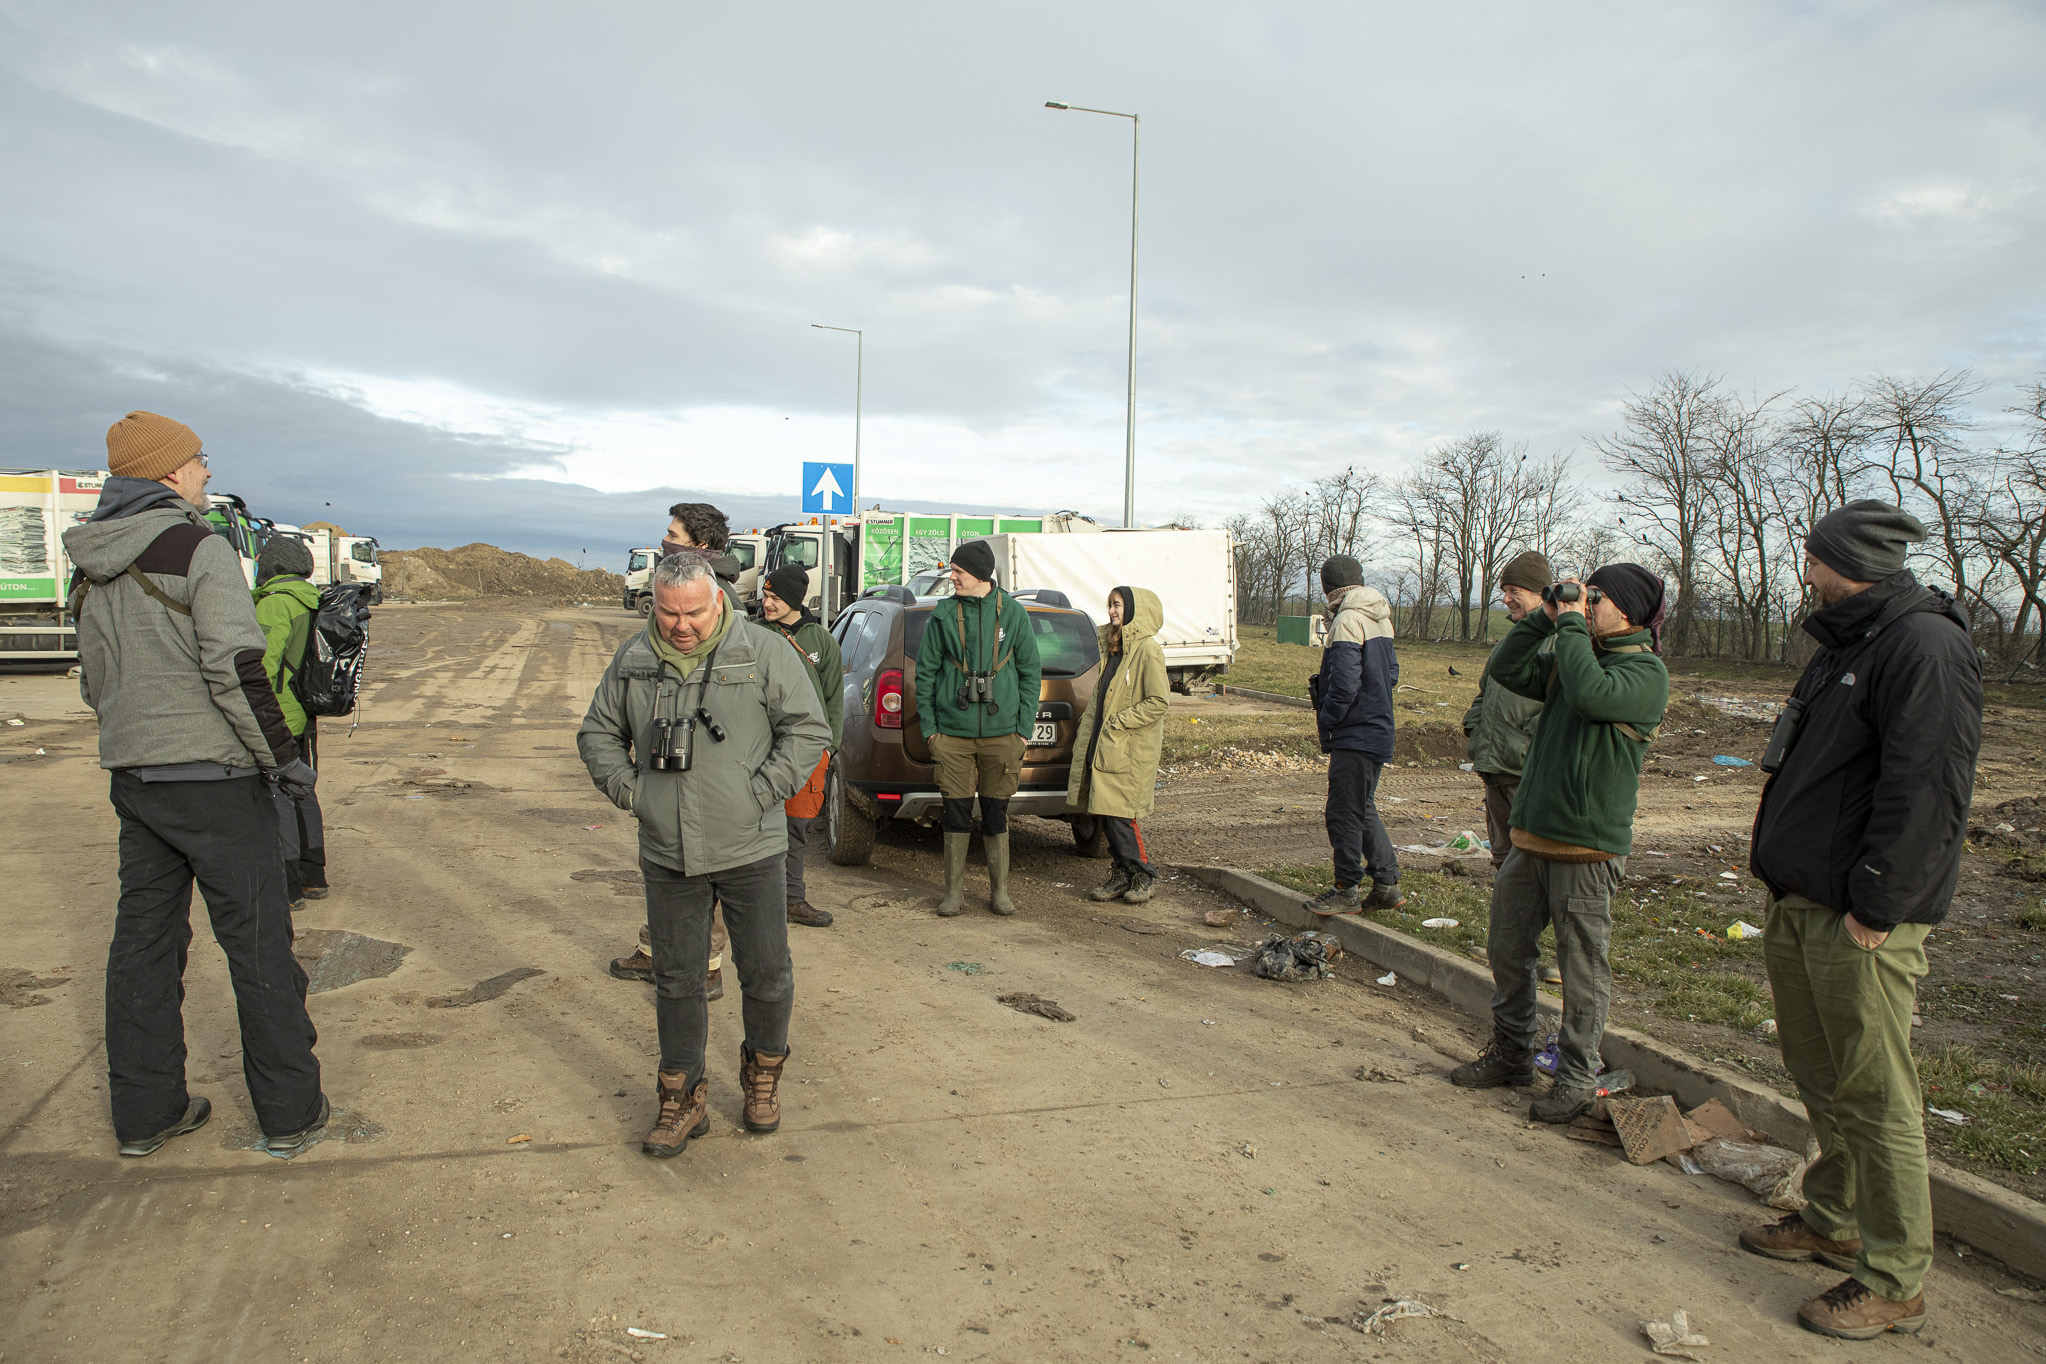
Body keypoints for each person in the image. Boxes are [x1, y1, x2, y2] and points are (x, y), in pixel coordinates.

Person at [1737, 502, 1981, 1341]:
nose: (1803, 570)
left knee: (1876, 1094)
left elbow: (1929, 790)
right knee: (1820, 1074)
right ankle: (1834, 1217)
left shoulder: (1925, 646)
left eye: (1813, 557)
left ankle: (1894, 1276)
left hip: (1860, 918)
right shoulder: (1848, 641)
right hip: (1801, 900)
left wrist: (1878, 907)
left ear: (1850, 561)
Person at [63, 411, 327, 1160]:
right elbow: (237, 668)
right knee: (258, 947)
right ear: (169, 473)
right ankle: (290, 1112)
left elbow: (93, 684)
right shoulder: (198, 547)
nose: (207, 471)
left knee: (143, 946)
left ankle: (146, 1114)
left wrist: (138, 734)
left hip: (137, 780)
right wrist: (284, 761)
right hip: (217, 782)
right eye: (199, 460)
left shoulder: (91, 560)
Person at [577, 553, 830, 1157]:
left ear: (718, 600)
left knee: (767, 972)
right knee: (677, 979)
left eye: (693, 613)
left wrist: (762, 792)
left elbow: (808, 729)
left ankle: (762, 1074)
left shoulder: (763, 652)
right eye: (669, 614)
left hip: (752, 846)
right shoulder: (634, 660)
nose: (682, 626)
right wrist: (634, 794)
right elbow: (597, 734)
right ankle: (681, 1096)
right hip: (669, 851)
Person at [1449, 564, 1669, 1124]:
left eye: (1597, 598)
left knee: (1581, 970)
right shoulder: (1572, 654)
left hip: (1586, 848)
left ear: (1628, 610)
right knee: (1507, 949)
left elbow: (1592, 696)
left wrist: (1569, 625)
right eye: (1584, 595)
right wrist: (1544, 618)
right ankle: (1512, 1053)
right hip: (1532, 838)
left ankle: (1575, 1078)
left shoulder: (1644, 673)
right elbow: (1506, 670)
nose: (1586, 605)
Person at [610, 501, 740, 987]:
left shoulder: (719, 597)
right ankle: (658, 949)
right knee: (666, 865)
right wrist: (635, 790)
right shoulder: (683, 588)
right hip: (666, 764)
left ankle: (704, 965)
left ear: (700, 546)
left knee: (705, 870)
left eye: (674, 535)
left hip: (706, 765)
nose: (665, 542)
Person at [913, 539, 1043, 917]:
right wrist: (931, 731)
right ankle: (953, 894)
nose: (952, 578)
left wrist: (1022, 730)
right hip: (952, 734)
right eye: (953, 571)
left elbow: (1030, 673)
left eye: (958, 572)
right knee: (955, 814)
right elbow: (925, 675)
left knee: (996, 814)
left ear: (981, 575)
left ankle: (999, 892)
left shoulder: (1013, 614)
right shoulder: (942, 615)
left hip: (1003, 734)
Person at [1461, 550, 1561, 983]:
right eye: (1503, 591)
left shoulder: (1560, 640)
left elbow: (1564, 705)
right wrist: (1475, 727)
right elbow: (1486, 691)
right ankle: (1508, 950)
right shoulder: (1509, 642)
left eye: (1514, 590)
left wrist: (1528, 737)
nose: (1506, 599)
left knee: (1543, 869)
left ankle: (1558, 957)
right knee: (1505, 864)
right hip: (1496, 769)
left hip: (1529, 774)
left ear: (1541, 593)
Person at [1303, 556, 1406, 916]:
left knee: (1342, 812)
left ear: (1328, 588)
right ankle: (1386, 885)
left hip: (1355, 731)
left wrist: (1329, 718)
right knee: (1361, 807)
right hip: (1377, 725)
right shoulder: (1379, 616)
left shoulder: (1347, 619)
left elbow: (1345, 684)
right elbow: (1391, 674)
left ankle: (1346, 888)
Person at [1070, 587, 1171, 904]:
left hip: (1128, 749)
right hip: (1106, 746)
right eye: (1109, 605)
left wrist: (1118, 722)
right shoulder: (1116, 648)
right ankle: (1121, 874)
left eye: (1117, 605)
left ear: (1134, 610)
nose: (1111, 611)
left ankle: (1143, 875)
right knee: (1104, 812)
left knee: (1122, 816)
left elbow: (1158, 701)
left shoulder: (1148, 650)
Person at [759, 564, 843, 929]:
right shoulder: (753, 634)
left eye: (775, 598)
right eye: (765, 596)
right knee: (755, 827)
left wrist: (828, 748)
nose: (767, 603)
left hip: (806, 752)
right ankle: (754, 902)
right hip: (759, 749)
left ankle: (792, 899)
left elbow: (834, 699)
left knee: (796, 827)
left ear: (795, 600)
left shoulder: (821, 641)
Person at [252, 534, 328, 909]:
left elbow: (260, 668)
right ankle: (314, 876)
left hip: (277, 715)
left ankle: (290, 885)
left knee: (277, 796)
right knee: (302, 791)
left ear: (272, 566)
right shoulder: (313, 600)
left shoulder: (275, 604)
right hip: (303, 711)